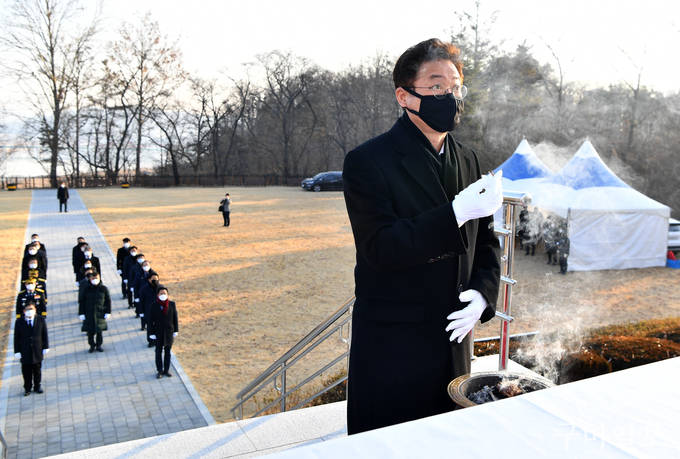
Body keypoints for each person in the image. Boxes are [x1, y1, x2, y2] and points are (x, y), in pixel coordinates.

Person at [342, 38, 502, 435]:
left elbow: (486, 241)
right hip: (395, 342)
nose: (450, 97)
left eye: (455, 87)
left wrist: (484, 294)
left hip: (453, 337)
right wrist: (454, 214)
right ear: (404, 96)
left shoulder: (469, 159)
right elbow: (381, 247)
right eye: (436, 86)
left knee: (449, 439)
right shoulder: (368, 161)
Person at [14, 302, 49, 396]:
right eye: (27, 309)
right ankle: (27, 388)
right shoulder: (19, 322)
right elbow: (16, 337)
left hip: (37, 349)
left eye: (31, 309)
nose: (29, 311)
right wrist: (17, 351)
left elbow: (44, 334)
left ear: (35, 310)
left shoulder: (40, 320)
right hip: (25, 350)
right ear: (24, 311)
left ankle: (37, 386)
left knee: (37, 370)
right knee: (26, 371)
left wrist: (46, 346)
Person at [148, 286, 178, 378]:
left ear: (167, 294)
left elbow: (175, 318)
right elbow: (150, 320)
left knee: (167, 352)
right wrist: (151, 333)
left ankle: (166, 370)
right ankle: (160, 370)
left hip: (169, 332)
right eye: (161, 293)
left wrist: (176, 330)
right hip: (158, 332)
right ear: (157, 295)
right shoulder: (154, 305)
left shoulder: (172, 304)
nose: (163, 295)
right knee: (158, 352)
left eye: (164, 293)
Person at [78, 272, 111, 352]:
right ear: (90, 279)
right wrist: (81, 313)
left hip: (100, 313)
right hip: (89, 313)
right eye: (93, 278)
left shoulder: (103, 289)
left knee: (99, 331)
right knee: (90, 332)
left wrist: (108, 312)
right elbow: (82, 301)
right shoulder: (86, 289)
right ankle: (92, 345)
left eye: (96, 278)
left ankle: (99, 345)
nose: (95, 280)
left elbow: (108, 301)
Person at [139, 272, 160, 346]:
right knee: (150, 326)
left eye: (156, 279)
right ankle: (150, 341)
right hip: (149, 311)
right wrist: (141, 312)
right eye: (153, 279)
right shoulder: (144, 289)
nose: (155, 281)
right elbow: (141, 301)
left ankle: (158, 340)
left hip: (159, 311)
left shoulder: (160, 288)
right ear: (149, 280)